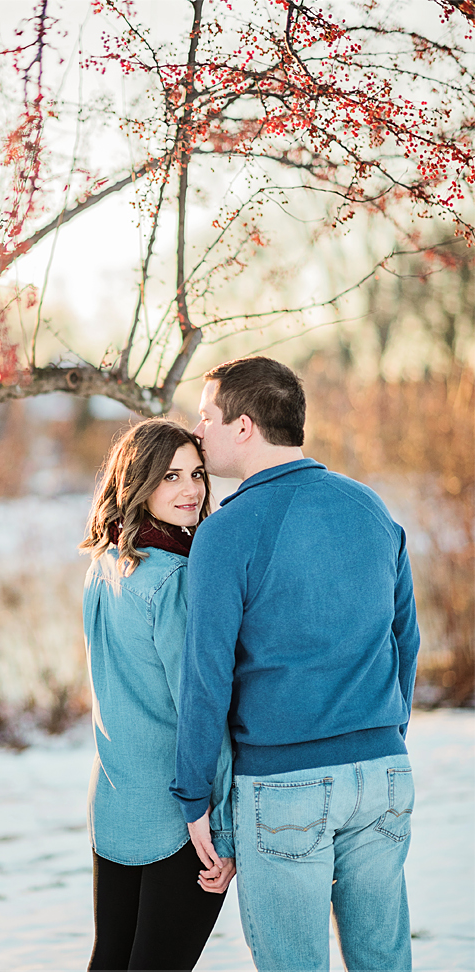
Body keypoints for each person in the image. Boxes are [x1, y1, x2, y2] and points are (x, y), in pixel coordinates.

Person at [173, 355, 420, 972]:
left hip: (287, 786)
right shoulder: (371, 507)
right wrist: (385, 733)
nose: (198, 433)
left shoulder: (227, 531)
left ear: (244, 426)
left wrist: (193, 795)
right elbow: (406, 642)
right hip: (384, 773)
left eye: (207, 418)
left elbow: (207, 675)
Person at [78, 419, 235, 971]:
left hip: (116, 806)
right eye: (171, 477)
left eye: (196, 474)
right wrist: (225, 828)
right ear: (140, 482)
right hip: (178, 818)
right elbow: (201, 706)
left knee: (111, 961)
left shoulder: (106, 566)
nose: (192, 489)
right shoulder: (175, 579)